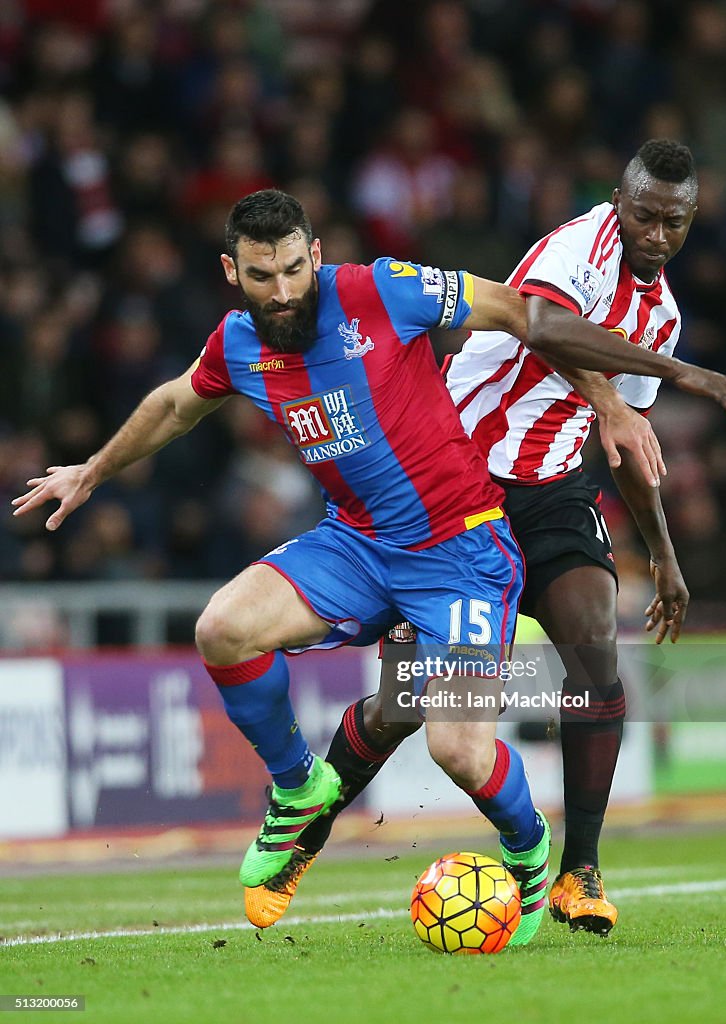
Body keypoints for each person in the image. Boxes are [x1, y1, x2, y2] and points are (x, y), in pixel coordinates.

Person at [12, 188, 674, 947]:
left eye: (295, 268)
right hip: (357, 544)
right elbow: (171, 406)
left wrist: (644, 380)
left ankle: (529, 853)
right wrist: (91, 473)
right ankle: (298, 787)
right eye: (263, 276)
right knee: (222, 629)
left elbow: (522, 312)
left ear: (316, 255)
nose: (284, 290)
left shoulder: (381, 289)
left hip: (461, 549)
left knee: (454, 747)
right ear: (233, 272)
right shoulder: (237, 345)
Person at [273, 140, 726, 936]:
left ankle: (582, 875)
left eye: (673, 221)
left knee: (595, 650)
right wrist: (677, 381)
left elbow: (626, 444)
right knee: (409, 705)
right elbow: (546, 329)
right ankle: (302, 839)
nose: (656, 232)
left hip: (555, 491)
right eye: (643, 214)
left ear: (691, 220)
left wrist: (665, 555)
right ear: (618, 201)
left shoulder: (662, 316)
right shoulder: (579, 249)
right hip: (459, 490)